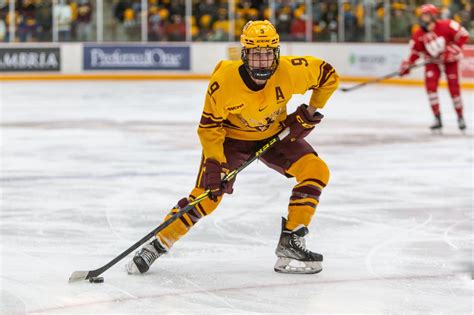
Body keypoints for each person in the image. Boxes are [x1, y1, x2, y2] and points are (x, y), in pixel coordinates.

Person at [127, 20, 339, 275]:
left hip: (274, 135)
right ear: (244, 54)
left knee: (316, 170)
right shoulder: (224, 81)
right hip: (232, 141)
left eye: (267, 54)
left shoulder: (291, 71)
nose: (262, 61)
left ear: (276, 54)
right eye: (255, 54)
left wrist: (309, 112)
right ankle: (158, 243)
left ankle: (291, 240)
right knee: (208, 197)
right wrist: (215, 162)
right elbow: (209, 127)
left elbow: (328, 75)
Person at [399, 4, 469, 132]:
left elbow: (463, 35)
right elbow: (415, 52)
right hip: (432, 62)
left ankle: (460, 116)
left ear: (433, 16)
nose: (423, 18)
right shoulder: (418, 33)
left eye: (426, 15)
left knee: (454, 89)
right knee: (430, 88)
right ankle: (437, 117)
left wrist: (453, 50)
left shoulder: (447, 25)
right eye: (422, 15)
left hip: (450, 62)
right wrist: (408, 64)